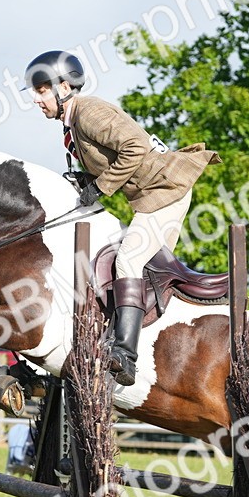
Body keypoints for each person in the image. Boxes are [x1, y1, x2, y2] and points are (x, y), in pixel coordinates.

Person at [24, 50, 220, 387]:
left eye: (41, 90)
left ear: (64, 86)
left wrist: (100, 187)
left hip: (165, 189)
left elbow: (134, 147)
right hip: (154, 193)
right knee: (147, 269)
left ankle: (124, 356)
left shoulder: (88, 112)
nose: (36, 99)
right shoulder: (72, 124)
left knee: (128, 261)